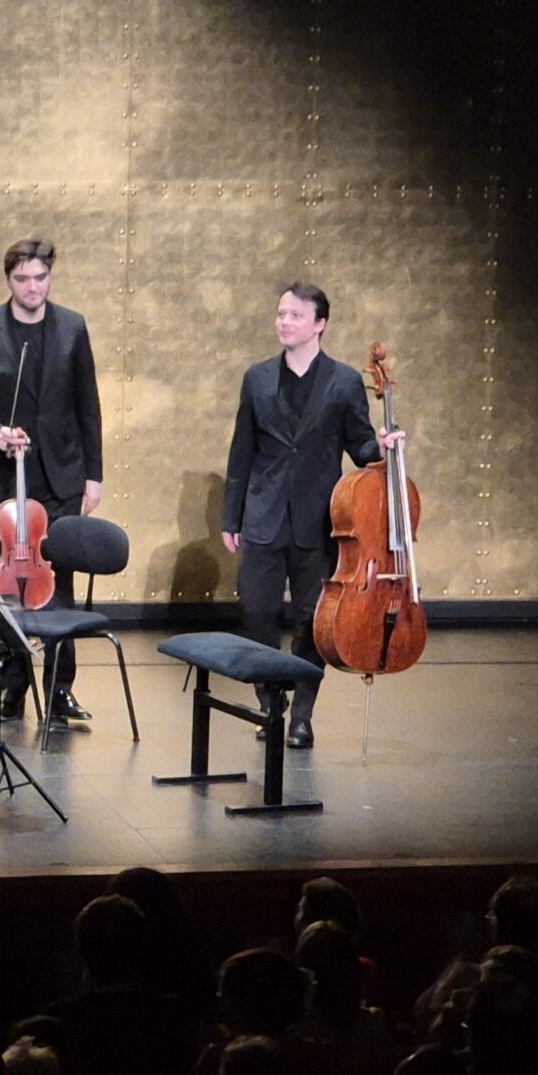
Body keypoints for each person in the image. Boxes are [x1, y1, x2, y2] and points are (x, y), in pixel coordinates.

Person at [218, 281, 401, 747]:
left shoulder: (342, 382)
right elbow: (242, 451)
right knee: (257, 611)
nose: (284, 321)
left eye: (295, 315)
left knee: (311, 620)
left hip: (320, 520)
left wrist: (378, 446)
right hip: (262, 513)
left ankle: (301, 714)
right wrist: (231, 517)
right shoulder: (257, 378)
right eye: (281, 313)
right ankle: (268, 702)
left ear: (319, 324)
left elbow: (359, 447)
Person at [0, 236, 105, 722]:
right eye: (22, 279)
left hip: (62, 476)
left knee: (60, 585)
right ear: (9, 280)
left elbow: (89, 405)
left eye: (40, 278)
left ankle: (60, 691)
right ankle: (12, 687)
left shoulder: (73, 328)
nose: (32, 287)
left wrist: (94, 476)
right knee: (12, 588)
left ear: (50, 278)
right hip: (6, 482)